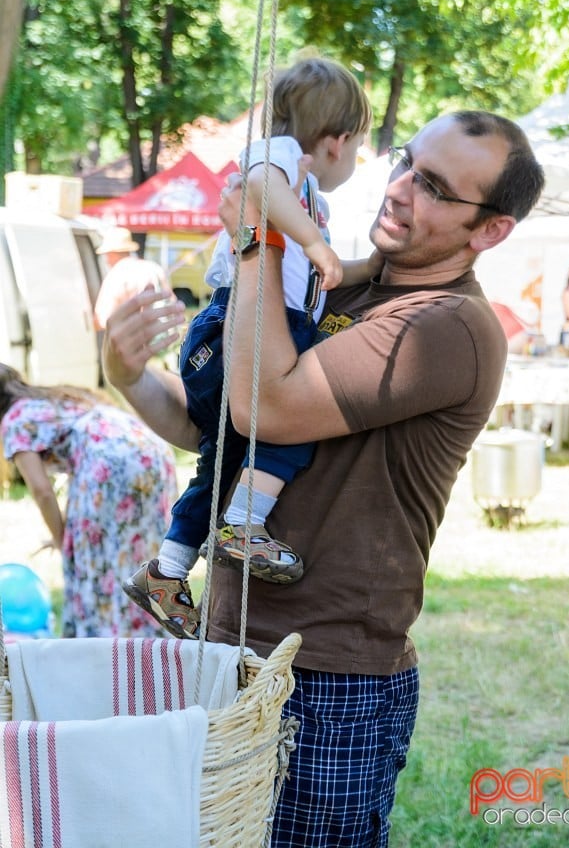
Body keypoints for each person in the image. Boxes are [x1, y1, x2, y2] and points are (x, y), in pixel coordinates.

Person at [102, 109, 545, 847]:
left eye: (434, 187)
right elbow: (212, 431)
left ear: (489, 229)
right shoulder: (341, 284)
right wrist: (126, 377)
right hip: (229, 643)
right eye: (407, 162)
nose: (400, 189)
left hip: (329, 681)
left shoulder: (447, 326)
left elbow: (268, 406)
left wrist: (259, 235)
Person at [123, 57, 377, 639]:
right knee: (295, 419)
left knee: (223, 457)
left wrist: (373, 266)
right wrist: (312, 240)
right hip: (238, 324)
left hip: (248, 328)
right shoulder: (281, 157)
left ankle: (166, 569)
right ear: (336, 142)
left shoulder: (310, 198)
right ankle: (243, 523)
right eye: (360, 147)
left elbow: (327, 275)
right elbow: (260, 190)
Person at [0, 364, 177, 638]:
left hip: (105, 464)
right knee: (140, 559)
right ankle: (152, 647)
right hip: (150, 451)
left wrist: (62, 541)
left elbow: (42, 490)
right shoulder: (55, 399)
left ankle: (104, 649)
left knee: (95, 571)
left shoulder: (13, 419)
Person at [94, 226, 169, 331]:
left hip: (135, 341)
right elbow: (171, 302)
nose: (106, 260)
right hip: (162, 338)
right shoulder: (154, 268)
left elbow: (103, 320)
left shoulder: (116, 275)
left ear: (111, 253)